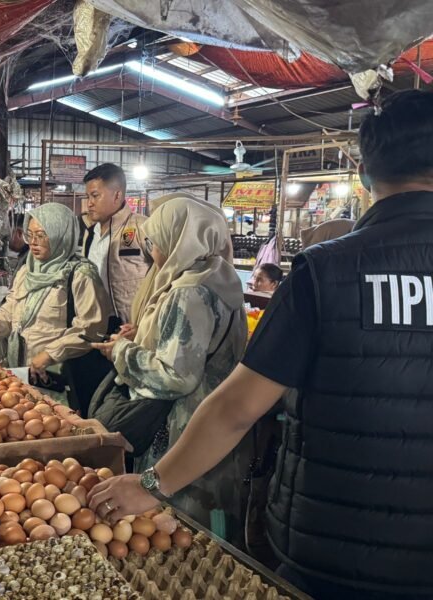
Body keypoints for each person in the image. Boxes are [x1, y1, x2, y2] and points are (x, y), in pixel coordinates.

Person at [87, 90, 433, 599]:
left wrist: (151, 484)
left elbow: (236, 407)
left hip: (331, 545)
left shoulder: (325, 271)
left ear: (364, 173)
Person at [89, 196, 248, 538]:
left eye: (156, 239)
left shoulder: (188, 292)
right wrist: (144, 334)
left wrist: (122, 352)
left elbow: (176, 376)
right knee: (208, 517)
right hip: (216, 420)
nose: (152, 249)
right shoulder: (220, 277)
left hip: (182, 424)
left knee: (174, 522)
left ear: (179, 238)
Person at [0, 203, 112, 411]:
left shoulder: (80, 275)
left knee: (58, 425)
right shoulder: (27, 271)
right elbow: (11, 315)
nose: (33, 243)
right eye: (30, 235)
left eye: (42, 235)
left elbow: (91, 329)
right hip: (24, 371)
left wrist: (50, 354)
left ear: (60, 235)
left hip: (60, 374)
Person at [83, 163, 150, 323]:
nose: (89, 203)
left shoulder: (143, 228)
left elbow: (164, 275)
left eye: (95, 195)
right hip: (96, 326)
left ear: (117, 195)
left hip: (132, 329)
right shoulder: (90, 234)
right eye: (88, 197)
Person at [5, 213, 29, 282]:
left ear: (19, 233)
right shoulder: (25, 256)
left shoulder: (29, 260)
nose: (6, 241)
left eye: (7, 236)